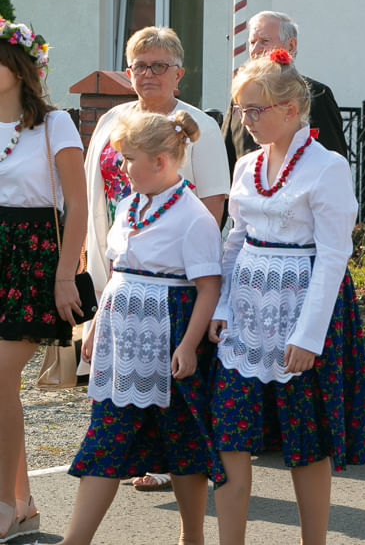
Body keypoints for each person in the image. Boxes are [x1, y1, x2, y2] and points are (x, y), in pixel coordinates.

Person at [208, 49, 365, 545]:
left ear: (291, 109)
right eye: (242, 110)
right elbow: (235, 239)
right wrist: (219, 307)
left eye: (256, 110)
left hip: (303, 311)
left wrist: (309, 336)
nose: (247, 120)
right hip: (247, 314)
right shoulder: (247, 165)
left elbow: (333, 256)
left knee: (306, 439)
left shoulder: (327, 167)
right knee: (230, 431)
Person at [58, 110, 223, 545]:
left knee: (182, 439)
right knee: (106, 433)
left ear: (162, 161)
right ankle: (75, 540)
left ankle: (192, 536)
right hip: (123, 336)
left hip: (168, 333)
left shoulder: (193, 217)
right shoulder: (130, 205)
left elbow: (208, 288)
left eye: (129, 159)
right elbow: (117, 270)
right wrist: (96, 325)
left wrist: (188, 346)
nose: (122, 168)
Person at [84, 26, 230, 490]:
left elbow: (211, 204)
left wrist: (189, 259)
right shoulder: (112, 122)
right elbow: (96, 196)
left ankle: (171, 464)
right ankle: (139, 455)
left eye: (159, 65)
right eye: (139, 66)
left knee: (168, 386)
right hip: (120, 248)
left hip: (170, 266)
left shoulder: (198, 126)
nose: (148, 74)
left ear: (179, 74)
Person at [0, 17, 86, 543]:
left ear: (18, 66)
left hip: (34, 261)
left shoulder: (56, 125)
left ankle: (5, 504)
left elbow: (77, 204)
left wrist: (64, 275)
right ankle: (22, 503)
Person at [222, 10, 347, 174]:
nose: (256, 50)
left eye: (264, 41)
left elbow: (332, 158)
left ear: (291, 45)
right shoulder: (241, 97)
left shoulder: (315, 94)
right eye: (252, 42)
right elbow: (225, 162)